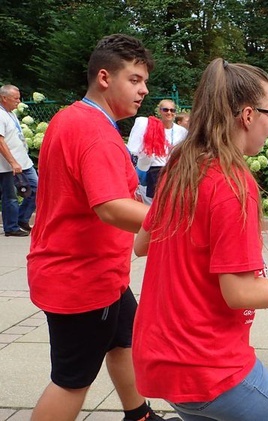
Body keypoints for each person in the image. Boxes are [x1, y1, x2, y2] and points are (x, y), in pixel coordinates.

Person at [131, 58, 268, 421]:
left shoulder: (183, 162)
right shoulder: (232, 183)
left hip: (161, 357)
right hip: (208, 364)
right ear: (247, 115)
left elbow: (143, 243)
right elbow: (238, 293)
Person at [26, 34, 171, 421]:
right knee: (71, 381)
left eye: (144, 81)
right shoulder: (96, 133)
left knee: (124, 340)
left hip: (93, 273)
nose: (144, 90)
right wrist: (181, 217)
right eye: (135, 80)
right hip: (81, 280)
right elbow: (110, 207)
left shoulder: (70, 117)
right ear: (105, 77)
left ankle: (138, 414)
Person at [127, 99, 188, 205]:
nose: (169, 112)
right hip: (155, 169)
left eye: (172, 110)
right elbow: (136, 148)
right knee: (156, 202)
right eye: (165, 110)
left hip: (174, 170)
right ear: (160, 111)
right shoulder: (150, 126)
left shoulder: (182, 131)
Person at [0, 84, 38, 236]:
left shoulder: (10, 113)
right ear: (4, 98)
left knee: (37, 189)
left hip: (23, 162)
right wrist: (12, 162)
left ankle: (21, 218)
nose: (19, 101)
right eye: (15, 98)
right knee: (11, 196)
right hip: (8, 164)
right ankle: (11, 227)